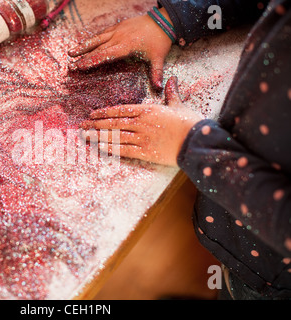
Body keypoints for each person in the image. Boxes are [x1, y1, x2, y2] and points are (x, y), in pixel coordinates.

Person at [71, 0, 291, 299]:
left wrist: (193, 145)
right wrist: (176, 18)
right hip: (240, 234)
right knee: (225, 284)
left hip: (271, 274)